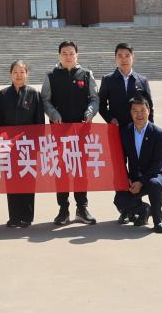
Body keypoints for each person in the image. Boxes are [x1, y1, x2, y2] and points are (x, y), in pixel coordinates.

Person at [41, 40, 99, 226]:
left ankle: (82, 208)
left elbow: (94, 99)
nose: (68, 56)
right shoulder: (51, 75)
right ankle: (63, 209)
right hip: (59, 131)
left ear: (77, 55)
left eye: (71, 53)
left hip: (82, 131)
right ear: (59, 55)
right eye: (64, 53)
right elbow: (45, 100)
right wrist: (53, 114)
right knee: (62, 170)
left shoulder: (87, 74)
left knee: (81, 170)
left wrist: (90, 112)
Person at [0, 60, 45, 228]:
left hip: (28, 146)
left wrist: (38, 146)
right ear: (10, 74)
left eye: (22, 72)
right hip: (9, 147)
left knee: (28, 180)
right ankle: (14, 217)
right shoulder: (3, 94)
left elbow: (40, 123)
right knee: (12, 180)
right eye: (15, 72)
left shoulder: (34, 94)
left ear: (27, 74)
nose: (18, 75)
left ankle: (27, 216)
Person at [113, 96, 162, 233]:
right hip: (134, 177)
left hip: (155, 175)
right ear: (130, 112)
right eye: (135, 111)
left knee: (154, 184)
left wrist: (141, 182)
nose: (139, 115)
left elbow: (157, 163)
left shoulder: (159, 134)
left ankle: (158, 220)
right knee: (120, 200)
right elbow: (121, 159)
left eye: (142, 110)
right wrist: (126, 177)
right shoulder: (125, 132)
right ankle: (143, 209)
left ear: (148, 111)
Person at [98, 43, 154, 130]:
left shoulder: (142, 81)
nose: (124, 59)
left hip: (137, 128)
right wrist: (110, 119)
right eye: (120, 56)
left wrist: (150, 129)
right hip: (116, 128)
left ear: (132, 57)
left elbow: (149, 107)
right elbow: (101, 104)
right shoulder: (107, 80)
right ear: (115, 58)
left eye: (127, 56)